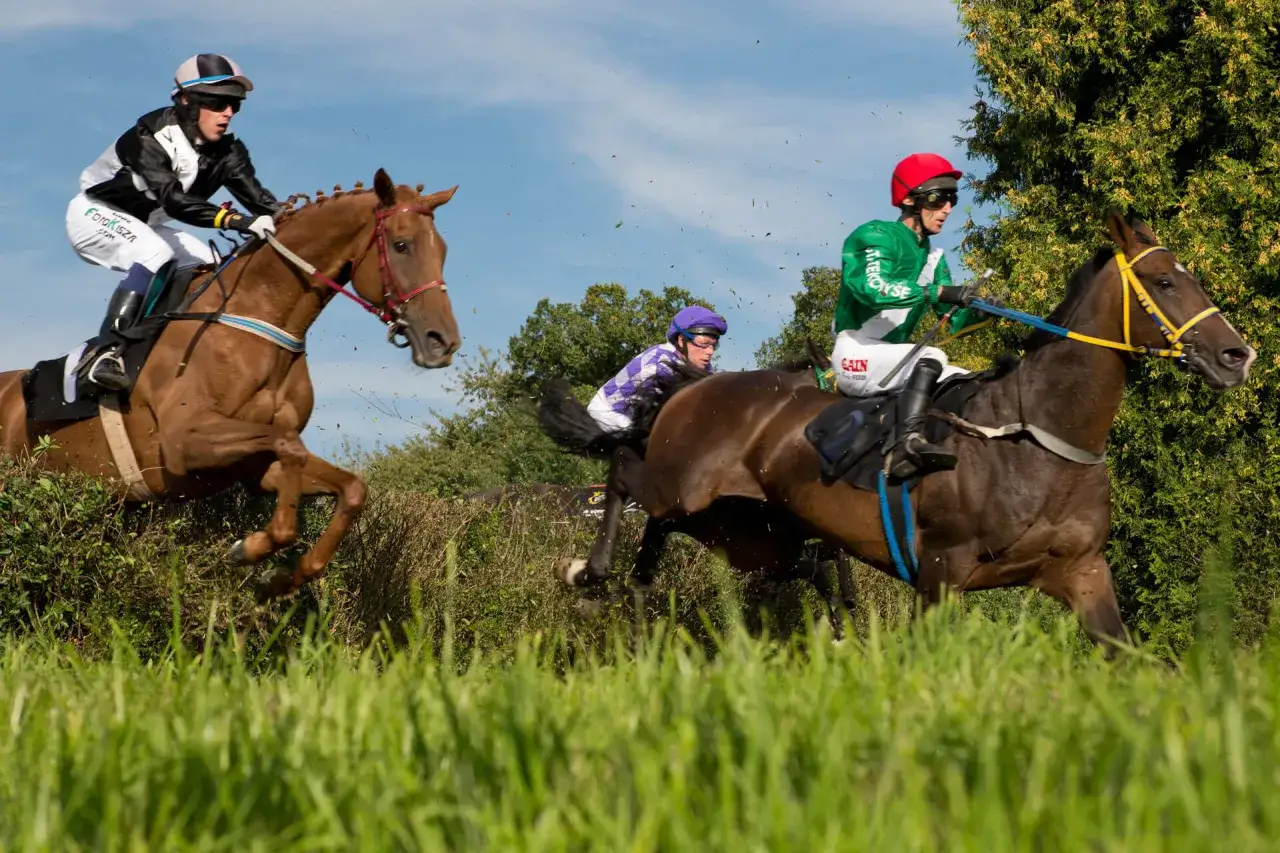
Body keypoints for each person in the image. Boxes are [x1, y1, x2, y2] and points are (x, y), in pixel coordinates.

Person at [66, 53, 282, 391]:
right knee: (155, 253)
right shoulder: (149, 136)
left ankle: (163, 344)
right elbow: (175, 202)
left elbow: (263, 202)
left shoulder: (228, 152)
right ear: (186, 100)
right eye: (218, 102)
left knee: (211, 267)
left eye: (235, 105)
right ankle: (107, 353)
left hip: (144, 224)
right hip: (94, 214)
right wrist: (237, 221)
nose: (228, 112)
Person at [824, 152, 988, 478]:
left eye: (952, 199)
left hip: (892, 361)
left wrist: (981, 308)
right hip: (854, 354)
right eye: (939, 198)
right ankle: (905, 447)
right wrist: (936, 292)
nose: (948, 209)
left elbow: (951, 320)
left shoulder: (934, 258)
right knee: (932, 355)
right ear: (911, 199)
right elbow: (872, 287)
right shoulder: (875, 235)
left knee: (969, 382)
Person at [587, 305, 728, 432]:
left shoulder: (699, 362)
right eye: (704, 343)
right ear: (681, 340)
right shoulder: (658, 365)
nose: (710, 352)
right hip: (608, 414)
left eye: (713, 346)